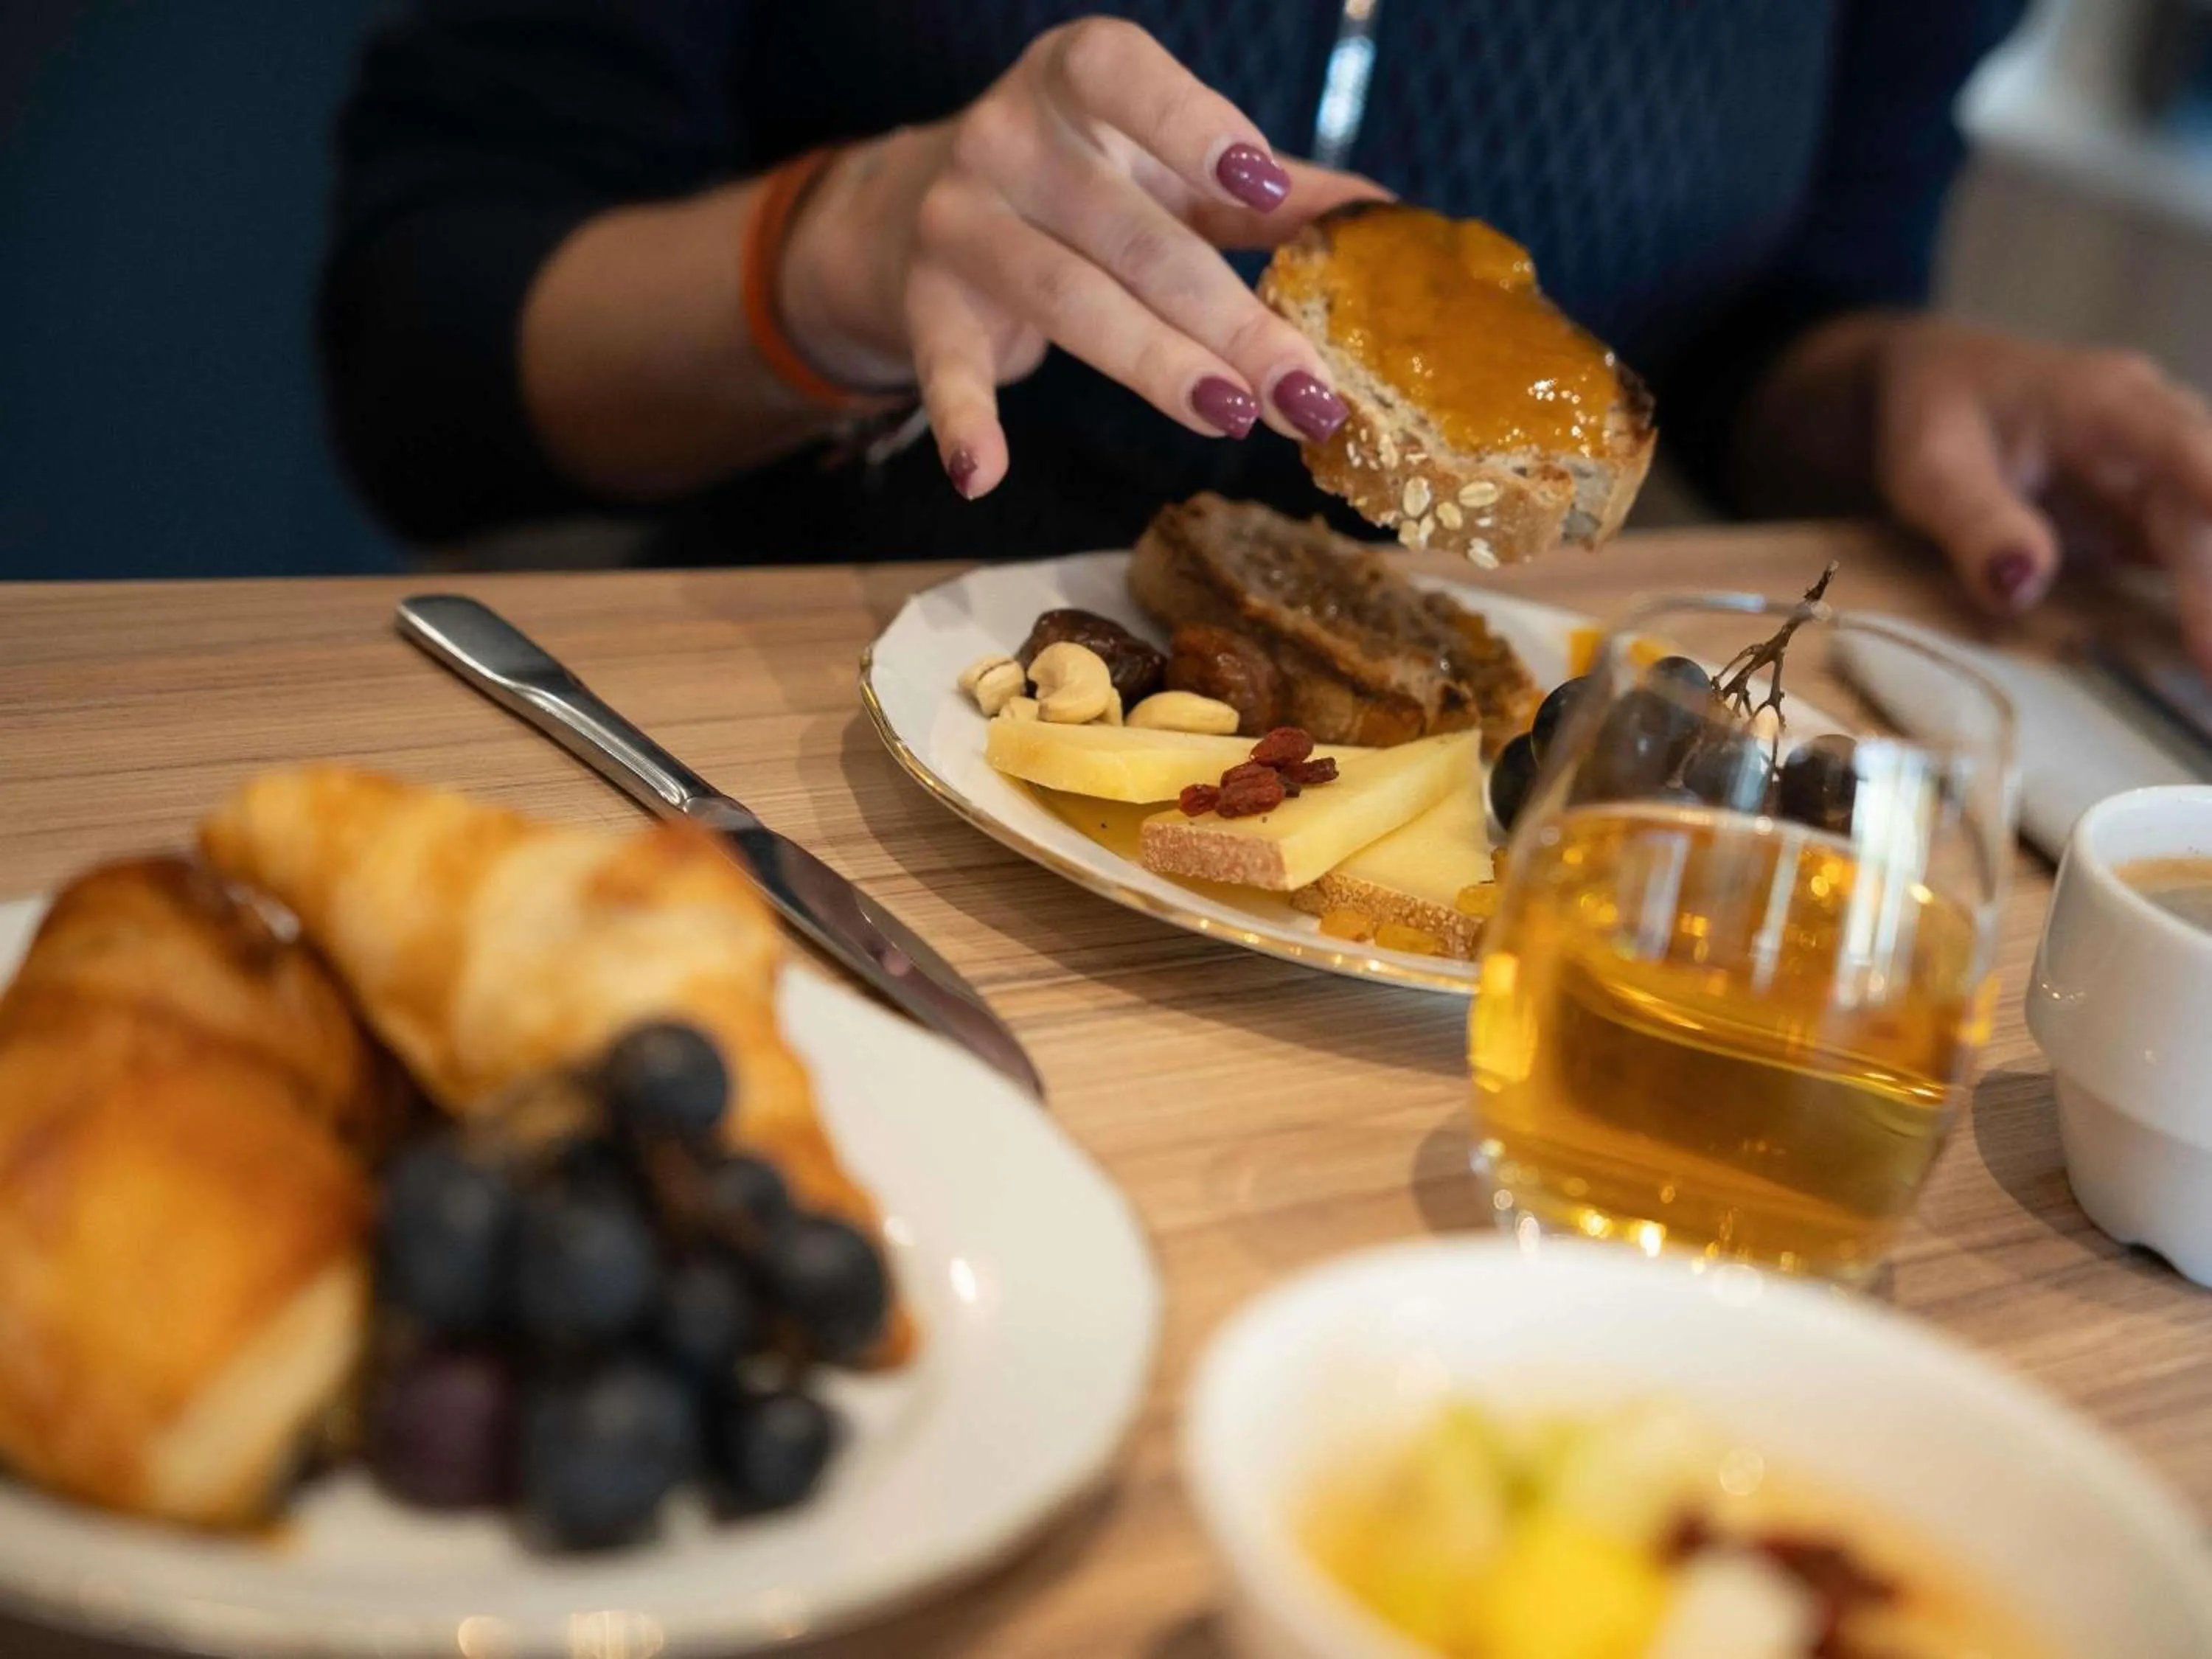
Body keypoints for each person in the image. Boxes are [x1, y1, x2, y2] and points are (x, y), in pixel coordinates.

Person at [321, 2, 2212, 664]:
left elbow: (1774, 318)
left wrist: (1901, 383)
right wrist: (835, 254)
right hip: (796, 765)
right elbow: (421, 351)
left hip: (1438, 919)